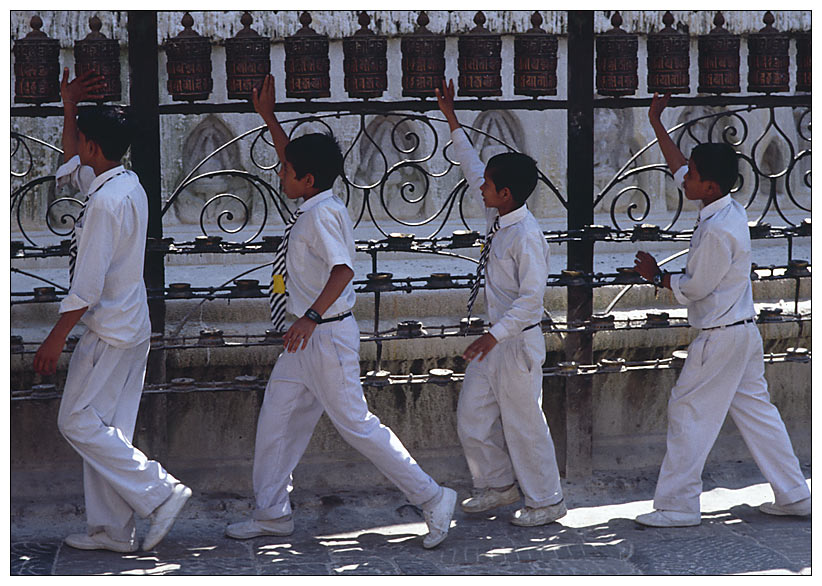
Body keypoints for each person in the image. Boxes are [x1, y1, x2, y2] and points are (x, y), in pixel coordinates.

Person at [225, 74, 456, 549]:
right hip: (304, 340)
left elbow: (343, 270)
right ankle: (271, 513)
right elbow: (294, 159)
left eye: (287, 172)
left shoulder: (322, 215)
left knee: (357, 426)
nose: (280, 175)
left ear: (306, 180)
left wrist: (309, 317)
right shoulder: (315, 199)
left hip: (324, 335)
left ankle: (433, 497)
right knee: (276, 423)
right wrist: (268, 117)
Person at [632, 92, 811, 527]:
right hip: (741, 333)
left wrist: (657, 277)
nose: (684, 179)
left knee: (688, 412)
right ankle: (794, 494)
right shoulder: (725, 207)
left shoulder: (717, 230)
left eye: (692, 176)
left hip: (720, 337)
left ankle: (678, 505)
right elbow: (679, 167)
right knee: (758, 413)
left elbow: (696, 287)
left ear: (708, 186)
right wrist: (657, 123)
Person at [33, 69, 191, 553]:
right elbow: (72, 163)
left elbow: (86, 287)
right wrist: (70, 108)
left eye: (82, 138)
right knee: (108, 430)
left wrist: (55, 338)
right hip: (130, 325)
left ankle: (160, 492)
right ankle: (113, 531)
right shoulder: (124, 183)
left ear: (94, 146)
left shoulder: (105, 203)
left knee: (77, 422)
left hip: (109, 330)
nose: (76, 145)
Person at [435, 79, 566, 527]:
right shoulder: (498, 214)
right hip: (493, 343)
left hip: (514, 344)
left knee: (525, 425)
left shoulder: (526, 236)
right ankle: (497, 484)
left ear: (505, 193)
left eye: (489, 186)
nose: (481, 188)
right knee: (472, 418)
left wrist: (492, 338)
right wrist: (452, 119)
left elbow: (531, 301)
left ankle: (547, 500)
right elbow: (473, 167)